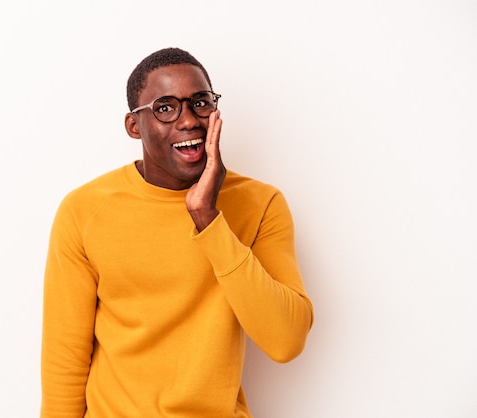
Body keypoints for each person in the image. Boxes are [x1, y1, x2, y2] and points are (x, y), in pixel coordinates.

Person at [40, 47, 314, 418]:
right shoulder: (84, 210)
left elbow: (286, 340)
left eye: (200, 103)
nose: (189, 121)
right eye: (165, 108)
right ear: (134, 125)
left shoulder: (261, 204)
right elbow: (65, 360)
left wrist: (208, 218)